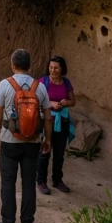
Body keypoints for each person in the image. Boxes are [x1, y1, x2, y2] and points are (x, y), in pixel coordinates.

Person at [0, 49, 52, 223]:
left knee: (8, 182)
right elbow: (48, 117)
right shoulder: (40, 87)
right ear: (29, 65)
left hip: (10, 141)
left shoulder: (5, 84)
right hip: (33, 141)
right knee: (29, 182)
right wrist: (47, 139)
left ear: (12, 64)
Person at [38, 56, 75, 195]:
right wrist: (50, 104)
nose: (53, 70)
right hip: (47, 122)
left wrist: (66, 103)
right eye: (51, 67)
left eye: (56, 68)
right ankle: (41, 181)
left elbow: (73, 101)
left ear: (62, 69)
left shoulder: (66, 83)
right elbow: (35, 101)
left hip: (62, 122)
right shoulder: (43, 82)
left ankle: (57, 180)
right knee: (44, 152)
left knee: (59, 154)